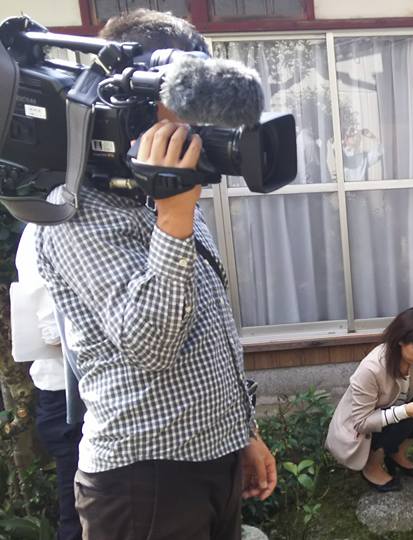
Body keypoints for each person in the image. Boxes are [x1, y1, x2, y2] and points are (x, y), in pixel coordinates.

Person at [35, 10, 276, 539]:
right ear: (135, 96)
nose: (200, 124)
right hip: (142, 478)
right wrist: (174, 217)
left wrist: (244, 432)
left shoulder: (164, 191)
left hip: (211, 455)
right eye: (187, 102)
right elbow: (152, 345)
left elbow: (209, 332)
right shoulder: (78, 211)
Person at [325, 307, 413, 492]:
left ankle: (396, 454)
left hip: (390, 411)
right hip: (358, 429)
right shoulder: (371, 368)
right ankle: (371, 466)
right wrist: (405, 411)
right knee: (405, 416)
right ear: (400, 340)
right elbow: (361, 422)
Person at [11, 224, 83, 540]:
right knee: (80, 517)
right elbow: (55, 334)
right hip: (68, 397)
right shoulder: (43, 230)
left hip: (93, 393)